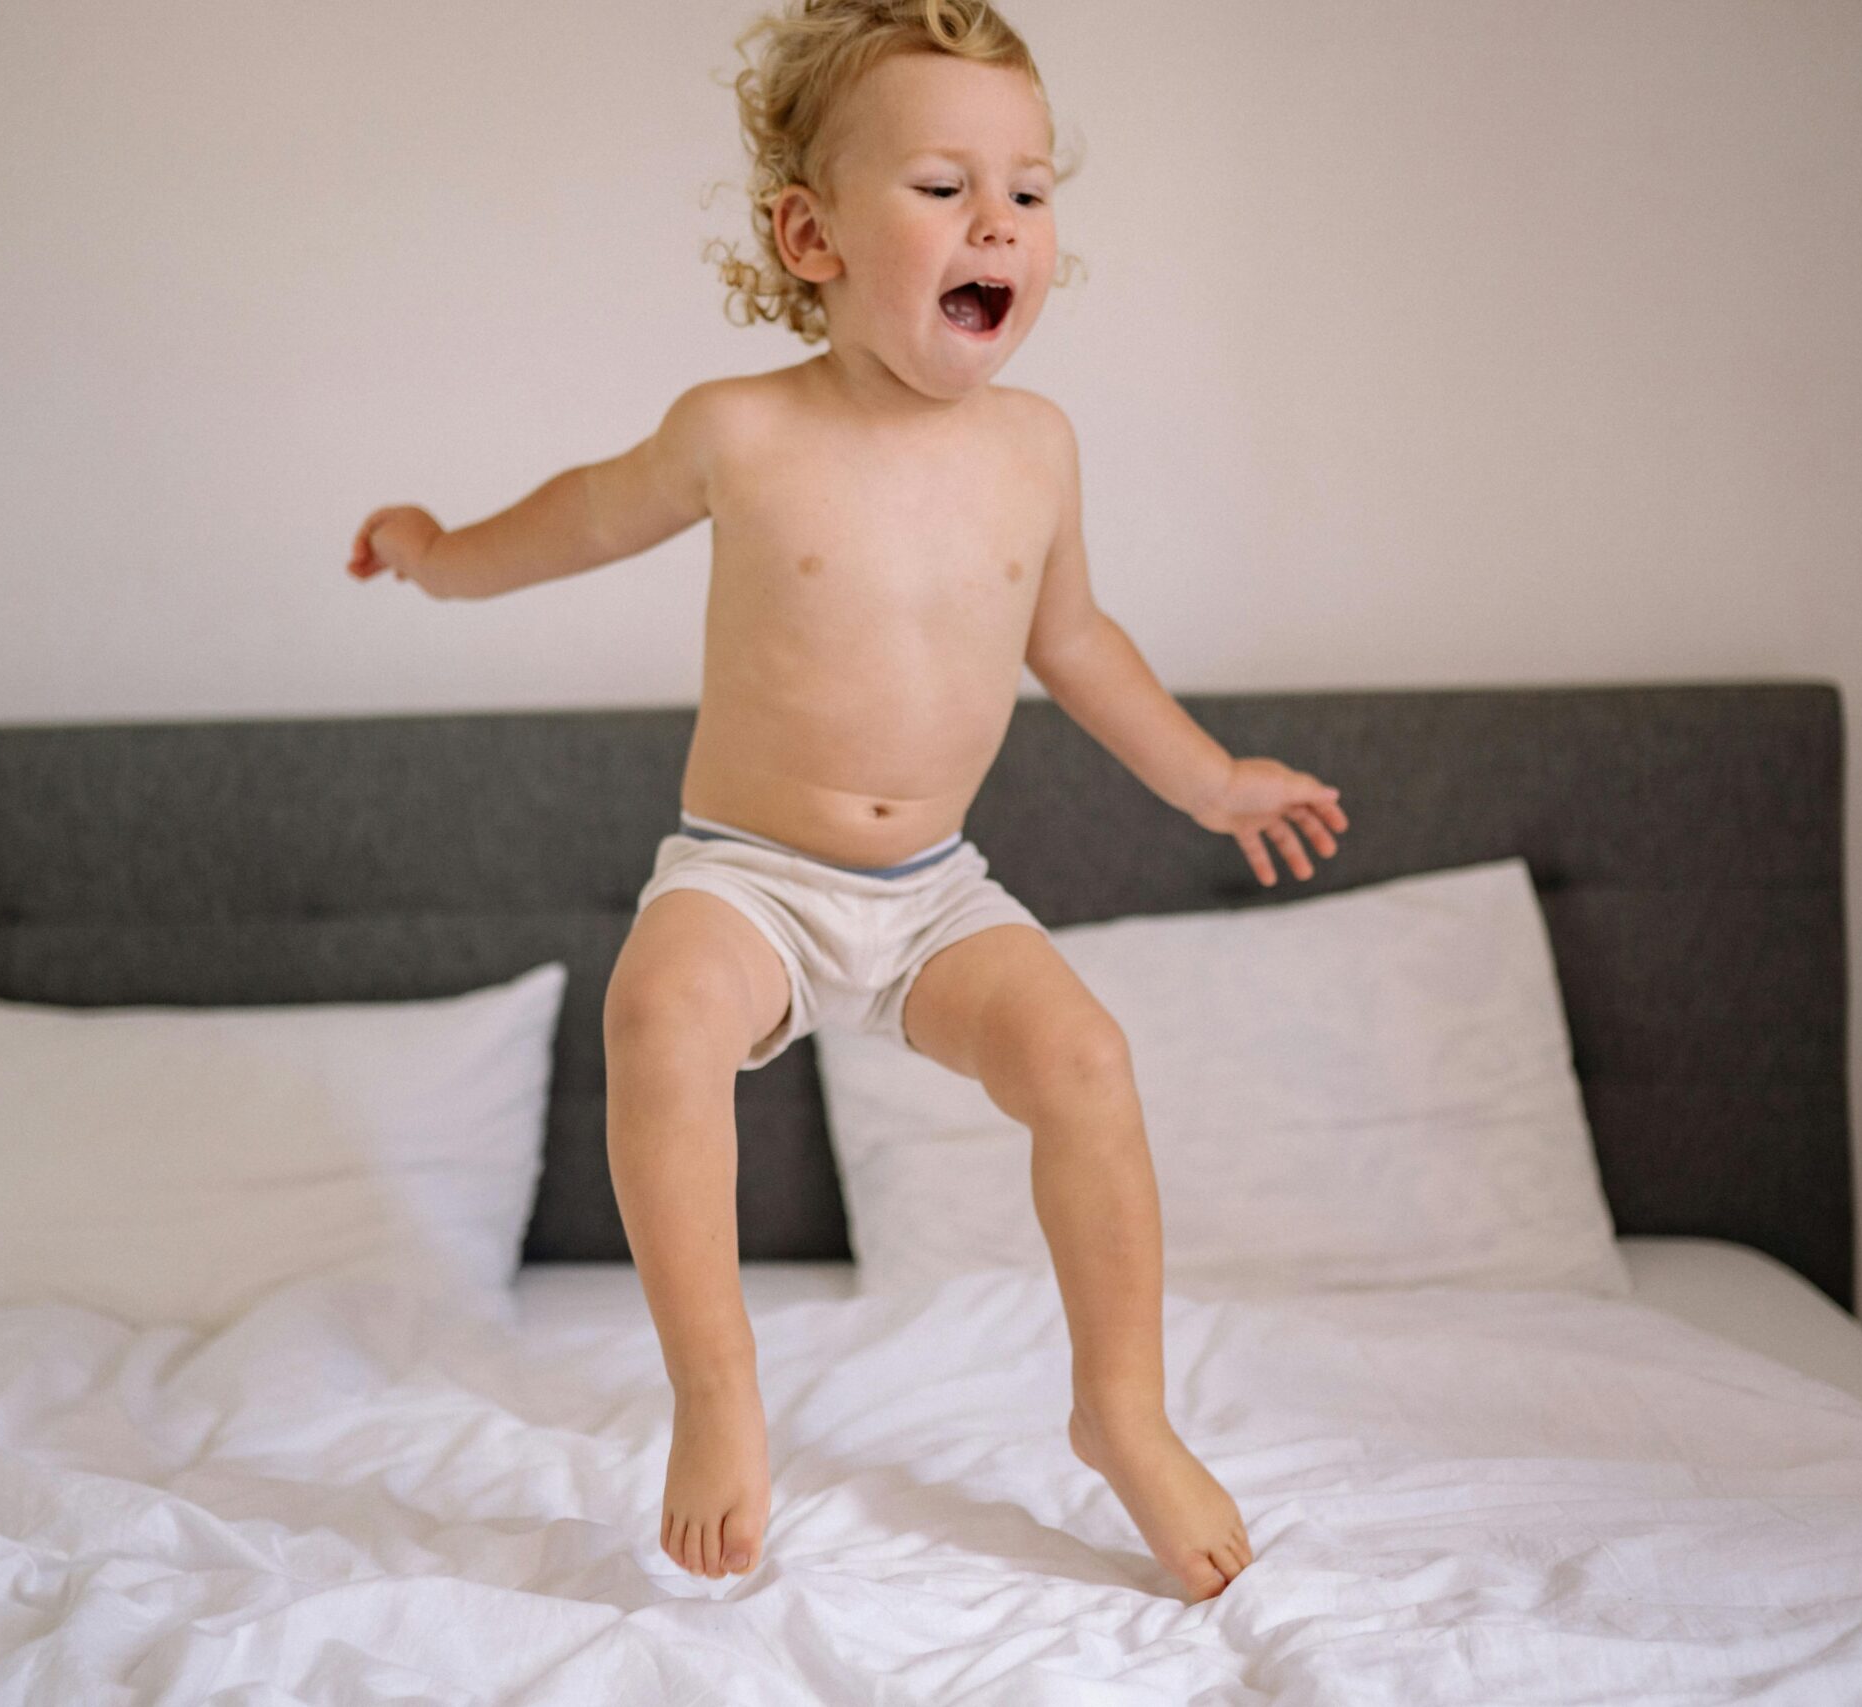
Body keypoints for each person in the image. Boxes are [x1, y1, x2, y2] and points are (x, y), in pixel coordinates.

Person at [346, 0, 1344, 1603]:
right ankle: (718, 1390)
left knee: (1086, 1059)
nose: (998, 222)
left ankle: (1122, 1410)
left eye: (1027, 189)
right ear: (810, 235)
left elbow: (1076, 644)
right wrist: (438, 554)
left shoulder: (1036, 447)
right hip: (752, 878)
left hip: (938, 892)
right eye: (944, 186)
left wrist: (1213, 780)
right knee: (661, 1016)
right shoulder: (740, 431)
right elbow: (584, 521)